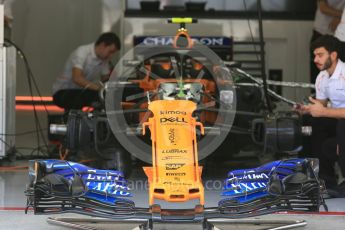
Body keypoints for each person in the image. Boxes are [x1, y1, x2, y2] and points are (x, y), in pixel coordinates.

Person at [297, 35, 345, 197]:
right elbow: (321, 105)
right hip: (338, 123)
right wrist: (307, 109)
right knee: (313, 122)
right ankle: (325, 182)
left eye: (320, 55)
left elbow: (324, 111)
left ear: (333, 55)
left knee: (341, 125)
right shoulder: (322, 77)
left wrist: (323, 111)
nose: (315, 59)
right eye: (314, 55)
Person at [52, 32, 120, 110]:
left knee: (106, 98)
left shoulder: (104, 59)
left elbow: (106, 79)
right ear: (103, 45)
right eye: (110, 52)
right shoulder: (82, 52)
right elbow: (77, 78)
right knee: (88, 97)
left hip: (80, 92)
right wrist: (100, 89)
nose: (111, 56)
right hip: (62, 91)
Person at [310, 0, 345, 84]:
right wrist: (341, 15)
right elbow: (323, 8)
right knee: (319, 78)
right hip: (322, 33)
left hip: (339, 38)